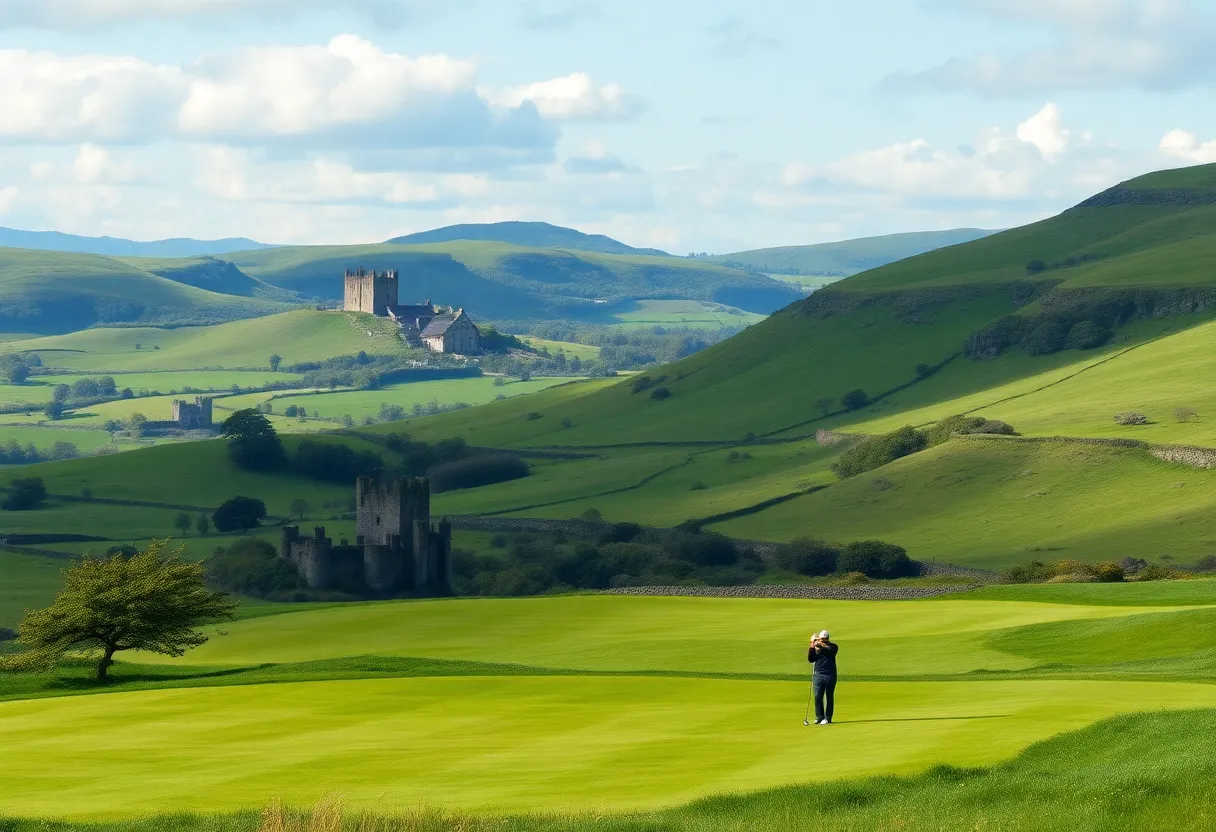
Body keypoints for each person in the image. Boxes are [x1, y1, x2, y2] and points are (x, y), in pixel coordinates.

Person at [807, 630, 839, 725]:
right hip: (818, 675)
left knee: (829, 695)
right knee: (818, 696)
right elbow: (811, 659)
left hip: (830, 675)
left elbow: (829, 650)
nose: (823, 641)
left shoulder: (833, 647)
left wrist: (819, 645)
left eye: (825, 639)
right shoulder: (817, 649)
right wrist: (812, 645)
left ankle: (828, 717)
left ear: (828, 639)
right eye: (822, 639)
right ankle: (819, 717)